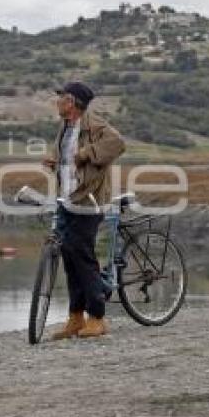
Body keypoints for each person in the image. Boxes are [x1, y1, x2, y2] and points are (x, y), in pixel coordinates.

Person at [42, 81, 126, 339]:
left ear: (74, 103)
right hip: (68, 200)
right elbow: (69, 161)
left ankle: (97, 318)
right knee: (70, 260)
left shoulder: (95, 126)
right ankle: (76, 318)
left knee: (84, 259)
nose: (58, 102)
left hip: (89, 202)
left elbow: (118, 144)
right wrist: (55, 162)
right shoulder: (66, 127)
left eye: (62, 98)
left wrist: (88, 153)